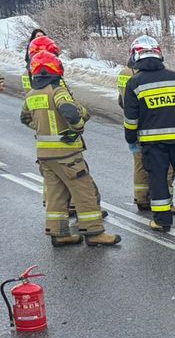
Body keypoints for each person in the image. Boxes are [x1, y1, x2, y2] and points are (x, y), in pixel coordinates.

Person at [21, 51, 120, 247]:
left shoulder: (31, 95)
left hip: (45, 156)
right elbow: (71, 114)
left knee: (55, 194)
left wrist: (42, 129)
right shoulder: (57, 91)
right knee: (84, 191)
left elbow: (24, 118)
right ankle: (94, 232)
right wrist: (77, 129)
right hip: (66, 154)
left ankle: (59, 234)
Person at [121, 35, 175, 233]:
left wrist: (131, 140)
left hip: (152, 144)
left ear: (135, 57)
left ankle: (162, 221)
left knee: (158, 179)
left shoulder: (134, 83)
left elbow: (131, 119)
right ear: (159, 55)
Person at [118, 52, 175, 213]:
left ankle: (142, 198)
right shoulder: (142, 76)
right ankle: (165, 203)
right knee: (165, 166)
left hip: (133, 125)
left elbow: (121, 101)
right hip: (150, 126)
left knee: (140, 163)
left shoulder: (124, 73)